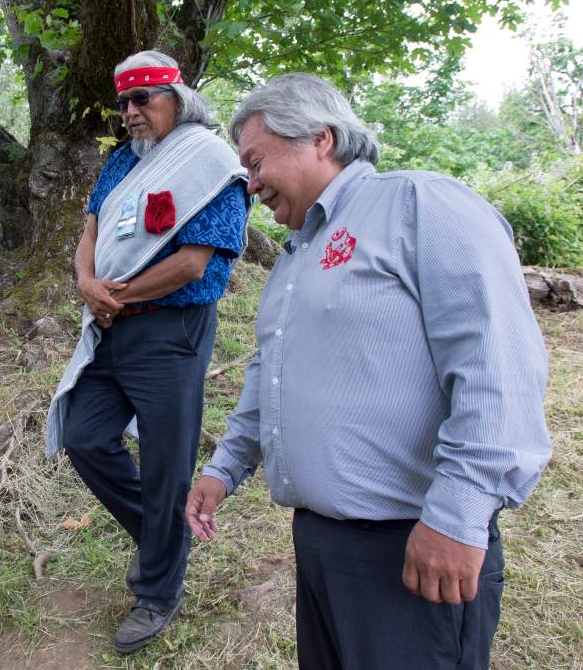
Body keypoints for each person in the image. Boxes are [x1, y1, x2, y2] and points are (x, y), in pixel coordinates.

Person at [185, 73, 551, 669]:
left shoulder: (420, 205)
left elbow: (497, 362)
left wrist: (459, 515)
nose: (250, 185)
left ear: (320, 139)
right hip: (322, 542)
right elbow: (269, 374)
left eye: (255, 162)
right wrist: (225, 469)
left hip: (413, 545)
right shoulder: (295, 256)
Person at [45, 50, 250, 653]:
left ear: (177, 100)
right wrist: (88, 283)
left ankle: (158, 589)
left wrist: (119, 292)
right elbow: (90, 233)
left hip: (171, 328)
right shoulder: (119, 163)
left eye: (145, 99)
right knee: (84, 435)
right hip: (111, 324)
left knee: (166, 462)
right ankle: (165, 538)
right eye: (125, 102)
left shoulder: (210, 162)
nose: (132, 112)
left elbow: (194, 262)